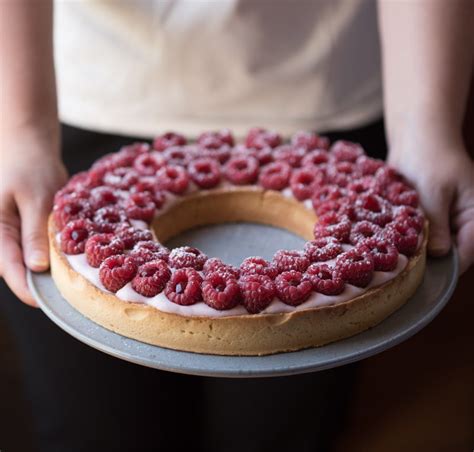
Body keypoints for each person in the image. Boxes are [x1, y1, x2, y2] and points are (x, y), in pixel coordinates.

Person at [1, 1, 473, 451]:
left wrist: (426, 130)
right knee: (96, 431)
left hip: (327, 96)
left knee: (283, 432)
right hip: (78, 98)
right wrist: (20, 133)